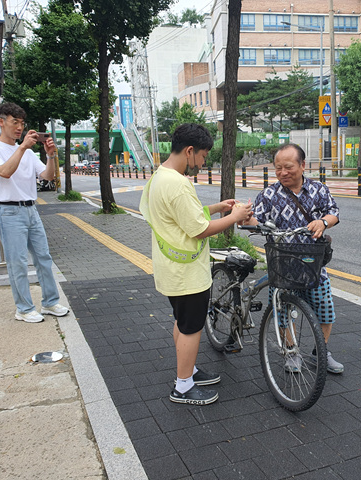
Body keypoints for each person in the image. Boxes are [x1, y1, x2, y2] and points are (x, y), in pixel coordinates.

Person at [139, 123, 252, 406]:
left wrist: (217, 208)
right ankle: (183, 386)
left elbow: (181, 216)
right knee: (191, 327)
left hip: (172, 269)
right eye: (202, 156)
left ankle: (187, 371)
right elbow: (199, 229)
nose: (202, 163)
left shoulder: (160, 177)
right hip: (186, 274)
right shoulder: (178, 184)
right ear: (189, 151)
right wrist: (235, 216)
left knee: (183, 322)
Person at [242, 143, 344, 374]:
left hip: (312, 263)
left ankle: (320, 352)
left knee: (325, 308)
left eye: (288, 167)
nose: (283, 173)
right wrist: (246, 219)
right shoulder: (268, 195)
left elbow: (333, 212)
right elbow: (256, 221)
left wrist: (323, 222)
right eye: (278, 168)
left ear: (302, 165)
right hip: (282, 263)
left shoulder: (318, 189)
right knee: (282, 310)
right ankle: (291, 351)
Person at [0, 103, 69, 323]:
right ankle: (23, 308)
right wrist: (21, 148)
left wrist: (51, 156)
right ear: (1, 122)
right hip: (9, 211)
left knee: (43, 258)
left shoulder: (28, 152)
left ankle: (50, 302)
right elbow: (4, 172)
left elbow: (47, 176)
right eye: (15, 122)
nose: (19, 127)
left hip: (31, 209)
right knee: (17, 262)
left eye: (22, 123)